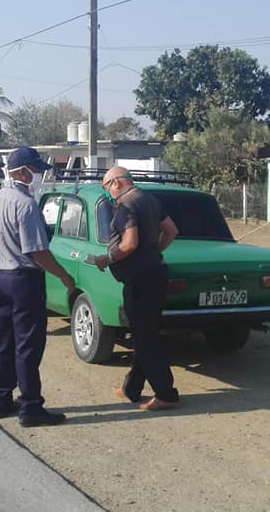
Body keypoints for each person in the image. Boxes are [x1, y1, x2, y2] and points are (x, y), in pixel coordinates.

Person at [0, 147, 76, 427]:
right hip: (23, 280)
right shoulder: (25, 204)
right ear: (22, 172)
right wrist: (64, 276)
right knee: (28, 346)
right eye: (36, 170)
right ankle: (31, 408)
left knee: (5, 341)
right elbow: (37, 252)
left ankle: (1, 399)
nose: (38, 174)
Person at [93, 166, 181, 411]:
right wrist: (154, 252)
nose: (107, 192)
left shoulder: (126, 205)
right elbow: (171, 230)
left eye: (106, 186)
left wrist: (107, 259)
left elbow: (129, 243)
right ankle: (132, 387)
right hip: (155, 274)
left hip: (140, 279)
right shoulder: (149, 199)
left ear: (117, 183)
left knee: (146, 337)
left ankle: (166, 394)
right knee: (145, 333)